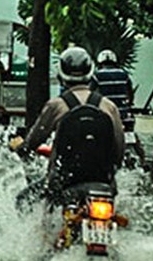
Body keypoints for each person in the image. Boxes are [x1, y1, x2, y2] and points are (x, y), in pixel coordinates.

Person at [9, 47, 125, 206]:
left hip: (62, 182)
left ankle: (37, 231)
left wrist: (20, 147)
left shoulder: (56, 105)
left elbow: (33, 142)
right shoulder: (108, 106)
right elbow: (119, 151)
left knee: (22, 200)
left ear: (61, 74)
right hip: (104, 184)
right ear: (91, 72)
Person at [93, 48, 145, 166]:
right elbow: (130, 92)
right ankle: (143, 160)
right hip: (125, 115)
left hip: (106, 114)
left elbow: (91, 94)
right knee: (132, 134)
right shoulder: (123, 74)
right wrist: (129, 104)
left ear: (100, 62)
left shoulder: (97, 76)